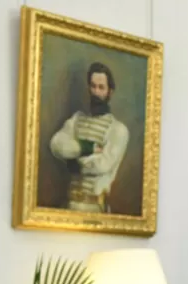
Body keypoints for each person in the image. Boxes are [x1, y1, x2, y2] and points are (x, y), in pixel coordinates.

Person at [49, 62, 130, 213]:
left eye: (101, 87)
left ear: (110, 92)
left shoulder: (118, 130)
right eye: (93, 86)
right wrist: (86, 148)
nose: (96, 92)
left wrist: (75, 163)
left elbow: (103, 164)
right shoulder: (76, 119)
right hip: (69, 206)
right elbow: (56, 144)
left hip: (95, 209)